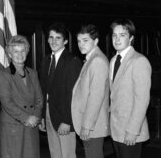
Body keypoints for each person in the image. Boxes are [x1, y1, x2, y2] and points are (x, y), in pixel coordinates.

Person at [109, 19, 151, 158]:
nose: (117, 39)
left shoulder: (139, 61)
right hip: (116, 129)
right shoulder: (113, 61)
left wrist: (133, 130)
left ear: (131, 38)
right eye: (114, 35)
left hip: (130, 130)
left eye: (122, 35)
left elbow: (142, 100)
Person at [0, 35, 43, 158]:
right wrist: (27, 118)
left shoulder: (32, 73)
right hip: (13, 126)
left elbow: (39, 99)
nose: (20, 54)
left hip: (31, 125)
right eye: (15, 51)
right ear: (10, 54)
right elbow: (7, 103)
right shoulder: (3, 75)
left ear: (27, 52)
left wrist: (36, 117)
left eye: (23, 51)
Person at [39, 22, 82, 158]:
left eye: (58, 38)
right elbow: (43, 91)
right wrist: (42, 116)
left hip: (64, 117)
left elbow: (74, 95)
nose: (53, 41)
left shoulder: (72, 61)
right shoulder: (46, 60)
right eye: (51, 37)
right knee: (55, 153)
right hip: (48, 113)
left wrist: (67, 120)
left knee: (67, 154)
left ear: (65, 41)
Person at [71, 24, 109, 158]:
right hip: (92, 123)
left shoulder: (97, 61)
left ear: (96, 41)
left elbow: (96, 97)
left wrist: (87, 126)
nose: (81, 44)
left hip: (93, 125)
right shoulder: (92, 58)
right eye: (79, 41)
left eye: (85, 40)